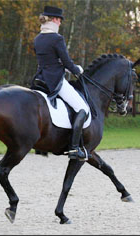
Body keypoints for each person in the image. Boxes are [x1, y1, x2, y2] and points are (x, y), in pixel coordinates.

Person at [32, 6, 90, 161]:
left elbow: (47, 60)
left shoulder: (37, 39)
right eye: (60, 20)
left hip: (40, 79)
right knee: (82, 108)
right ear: (55, 20)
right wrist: (77, 70)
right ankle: (73, 148)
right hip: (55, 80)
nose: (60, 23)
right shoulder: (57, 39)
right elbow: (66, 62)